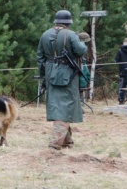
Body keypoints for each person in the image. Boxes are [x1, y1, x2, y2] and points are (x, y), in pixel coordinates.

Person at [37, 10, 87, 150]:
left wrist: (44, 77)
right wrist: (81, 41)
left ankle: (67, 141)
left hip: (50, 73)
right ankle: (55, 143)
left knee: (60, 105)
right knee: (66, 106)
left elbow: (40, 58)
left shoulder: (45, 34)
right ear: (68, 23)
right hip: (68, 75)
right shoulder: (71, 34)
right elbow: (81, 50)